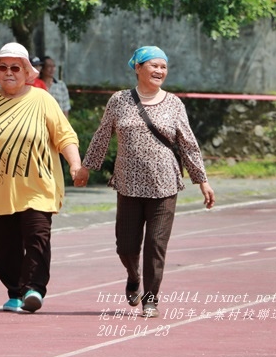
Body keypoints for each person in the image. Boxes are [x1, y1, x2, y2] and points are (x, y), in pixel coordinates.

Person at [74, 46, 215, 319]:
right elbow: (103, 135)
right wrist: (86, 167)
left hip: (165, 186)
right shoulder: (119, 101)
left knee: (155, 246)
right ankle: (133, 275)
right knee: (125, 247)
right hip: (128, 185)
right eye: (153, 65)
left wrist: (203, 181)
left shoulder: (174, 103)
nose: (160, 71)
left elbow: (188, 145)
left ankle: (151, 299)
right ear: (137, 68)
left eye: (163, 66)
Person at [0, 42, 83, 314]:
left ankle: (34, 289)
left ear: (27, 72)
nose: (8, 72)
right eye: (3, 67)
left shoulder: (43, 100)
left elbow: (64, 136)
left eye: (15, 67)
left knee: (37, 236)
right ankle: (15, 291)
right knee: (4, 247)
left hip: (38, 185)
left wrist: (75, 165)